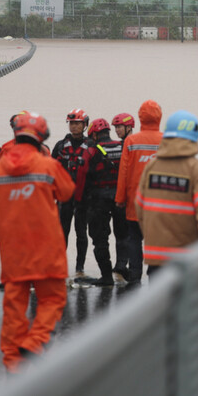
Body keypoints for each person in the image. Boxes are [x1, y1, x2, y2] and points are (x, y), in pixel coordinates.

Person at [0, 112, 75, 374]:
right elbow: (67, 192)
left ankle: (13, 362)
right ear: (41, 137)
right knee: (52, 299)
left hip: (13, 252)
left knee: (14, 307)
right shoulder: (48, 166)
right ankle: (36, 341)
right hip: (47, 249)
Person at [136, 110, 198, 277]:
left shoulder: (152, 167)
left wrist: (154, 237)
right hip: (186, 260)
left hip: (155, 259)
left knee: (158, 303)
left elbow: (140, 208)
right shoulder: (197, 169)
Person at [115, 101, 163, 284]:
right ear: (159, 117)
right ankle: (155, 276)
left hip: (135, 203)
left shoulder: (131, 141)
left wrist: (120, 199)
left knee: (134, 240)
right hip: (159, 204)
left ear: (140, 117)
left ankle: (135, 276)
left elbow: (124, 174)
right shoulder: (166, 140)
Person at [75, 118, 122, 285]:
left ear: (94, 135)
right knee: (123, 236)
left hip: (98, 201)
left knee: (100, 238)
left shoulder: (91, 151)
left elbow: (81, 176)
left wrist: (79, 200)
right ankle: (125, 269)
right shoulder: (121, 146)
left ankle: (107, 276)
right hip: (120, 199)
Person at [51, 109, 93, 277]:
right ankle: (59, 267)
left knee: (82, 234)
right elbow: (50, 170)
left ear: (84, 125)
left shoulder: (91, 145)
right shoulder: (60, 146)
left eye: (77, 123)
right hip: (64, 198)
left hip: (83, 198)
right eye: (71, 123)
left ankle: (80, 268)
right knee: (62, 233)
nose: (74, 126)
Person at [110, 113, 135, 280]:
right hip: (119, 197)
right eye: (116, 127)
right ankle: (121, 266)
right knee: (120, 233)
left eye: (119, 127)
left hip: (130, 198)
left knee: (129, 234)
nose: (117, 130)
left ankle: (126, 267)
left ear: (129, 127)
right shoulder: (120, 146)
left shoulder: (132, 145)